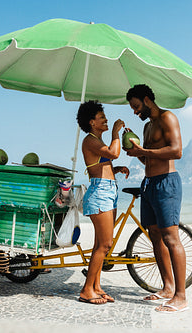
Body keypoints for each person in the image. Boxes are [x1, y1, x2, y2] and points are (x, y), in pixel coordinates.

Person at [124, 84, 188, 313]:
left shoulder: (167, 117)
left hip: (166, 183)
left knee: (171, 238)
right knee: (155, 237)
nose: (134, 111)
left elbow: (176, 151)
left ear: (147, 100)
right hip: (149, 184)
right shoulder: (148, 127)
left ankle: (181, 296)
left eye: (136, 106)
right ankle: (167, 288)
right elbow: (148, 160)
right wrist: (135, 151)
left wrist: (144, 152)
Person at [76, 100, 129, 305]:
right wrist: (116, 132)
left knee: (101, 244)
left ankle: (96, 287)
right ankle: (86, 290)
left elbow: (102, 165)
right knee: (105, 244)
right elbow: (114, 152)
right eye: (101, 117)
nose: (106, 119)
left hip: (108, 190)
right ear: (92, 122)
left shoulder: (98, 142)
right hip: (100, 193)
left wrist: (115, 170)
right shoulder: (90, 140)